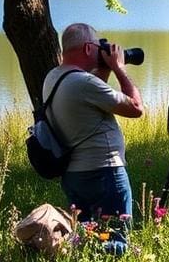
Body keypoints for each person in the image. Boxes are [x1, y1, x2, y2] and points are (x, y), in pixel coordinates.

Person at [43, 23, 144, 226]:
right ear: (88, 48)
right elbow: (135, 108)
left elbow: (92, 96)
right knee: (116, 238)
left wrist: (104, 69)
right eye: (98, 47)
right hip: (103, 173)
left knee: (87, 238)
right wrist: (119, 68)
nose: (101, 51)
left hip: (74, 175)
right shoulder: (83, 83)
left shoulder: (54, 76)